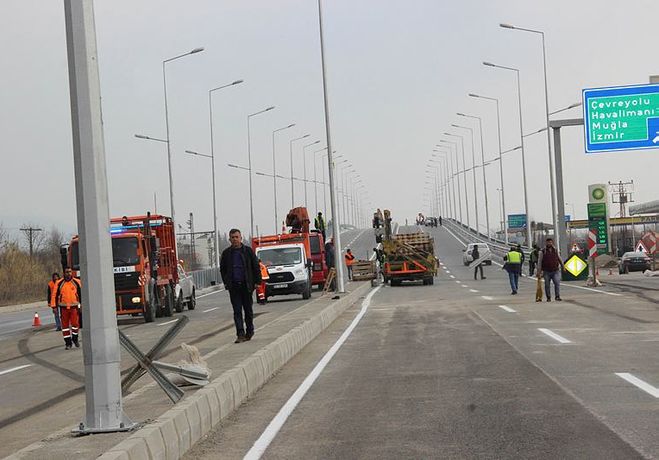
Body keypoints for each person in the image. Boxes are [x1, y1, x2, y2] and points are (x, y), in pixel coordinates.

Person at [220, 229, 262, 343]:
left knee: (248, 311)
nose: (234, 239)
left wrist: (258, 282)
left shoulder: (248, 251)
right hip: (234, 287)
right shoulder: (226, 254)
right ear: (229, 239)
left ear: (240, 238)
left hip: (246, 286)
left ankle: (250, 331)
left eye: (236, 237)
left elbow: (255, 267)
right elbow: (223, 269)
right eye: (232, 237)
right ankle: (240, 334)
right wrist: (226, 282)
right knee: (237, 311)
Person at [50, 267, 82, 349]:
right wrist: (54, 307)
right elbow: (54, 295)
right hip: (63, 308)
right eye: (67, 272)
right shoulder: (59, 283)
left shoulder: (77, 282)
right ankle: (68, 343)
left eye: (70, 272)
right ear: (64, 273)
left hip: (74, 307)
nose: (68, 273)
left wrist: (82, 306)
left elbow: (82, 295)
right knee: (65, 327)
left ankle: (75, 339)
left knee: (75, 325)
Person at [537, 237, 564, 302]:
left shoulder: (555, 250)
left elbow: (559, 258)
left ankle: (557, 296)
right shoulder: (542, 251)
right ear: (546, 243)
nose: (550, 243)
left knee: (557, 283)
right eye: (548, 242)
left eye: (551, 242)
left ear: (552, 243)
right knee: (547, 285)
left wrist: (563, 266)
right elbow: (539, 262)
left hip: (555, 270)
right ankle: (548, 297)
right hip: (546, 271)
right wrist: (539, 271)